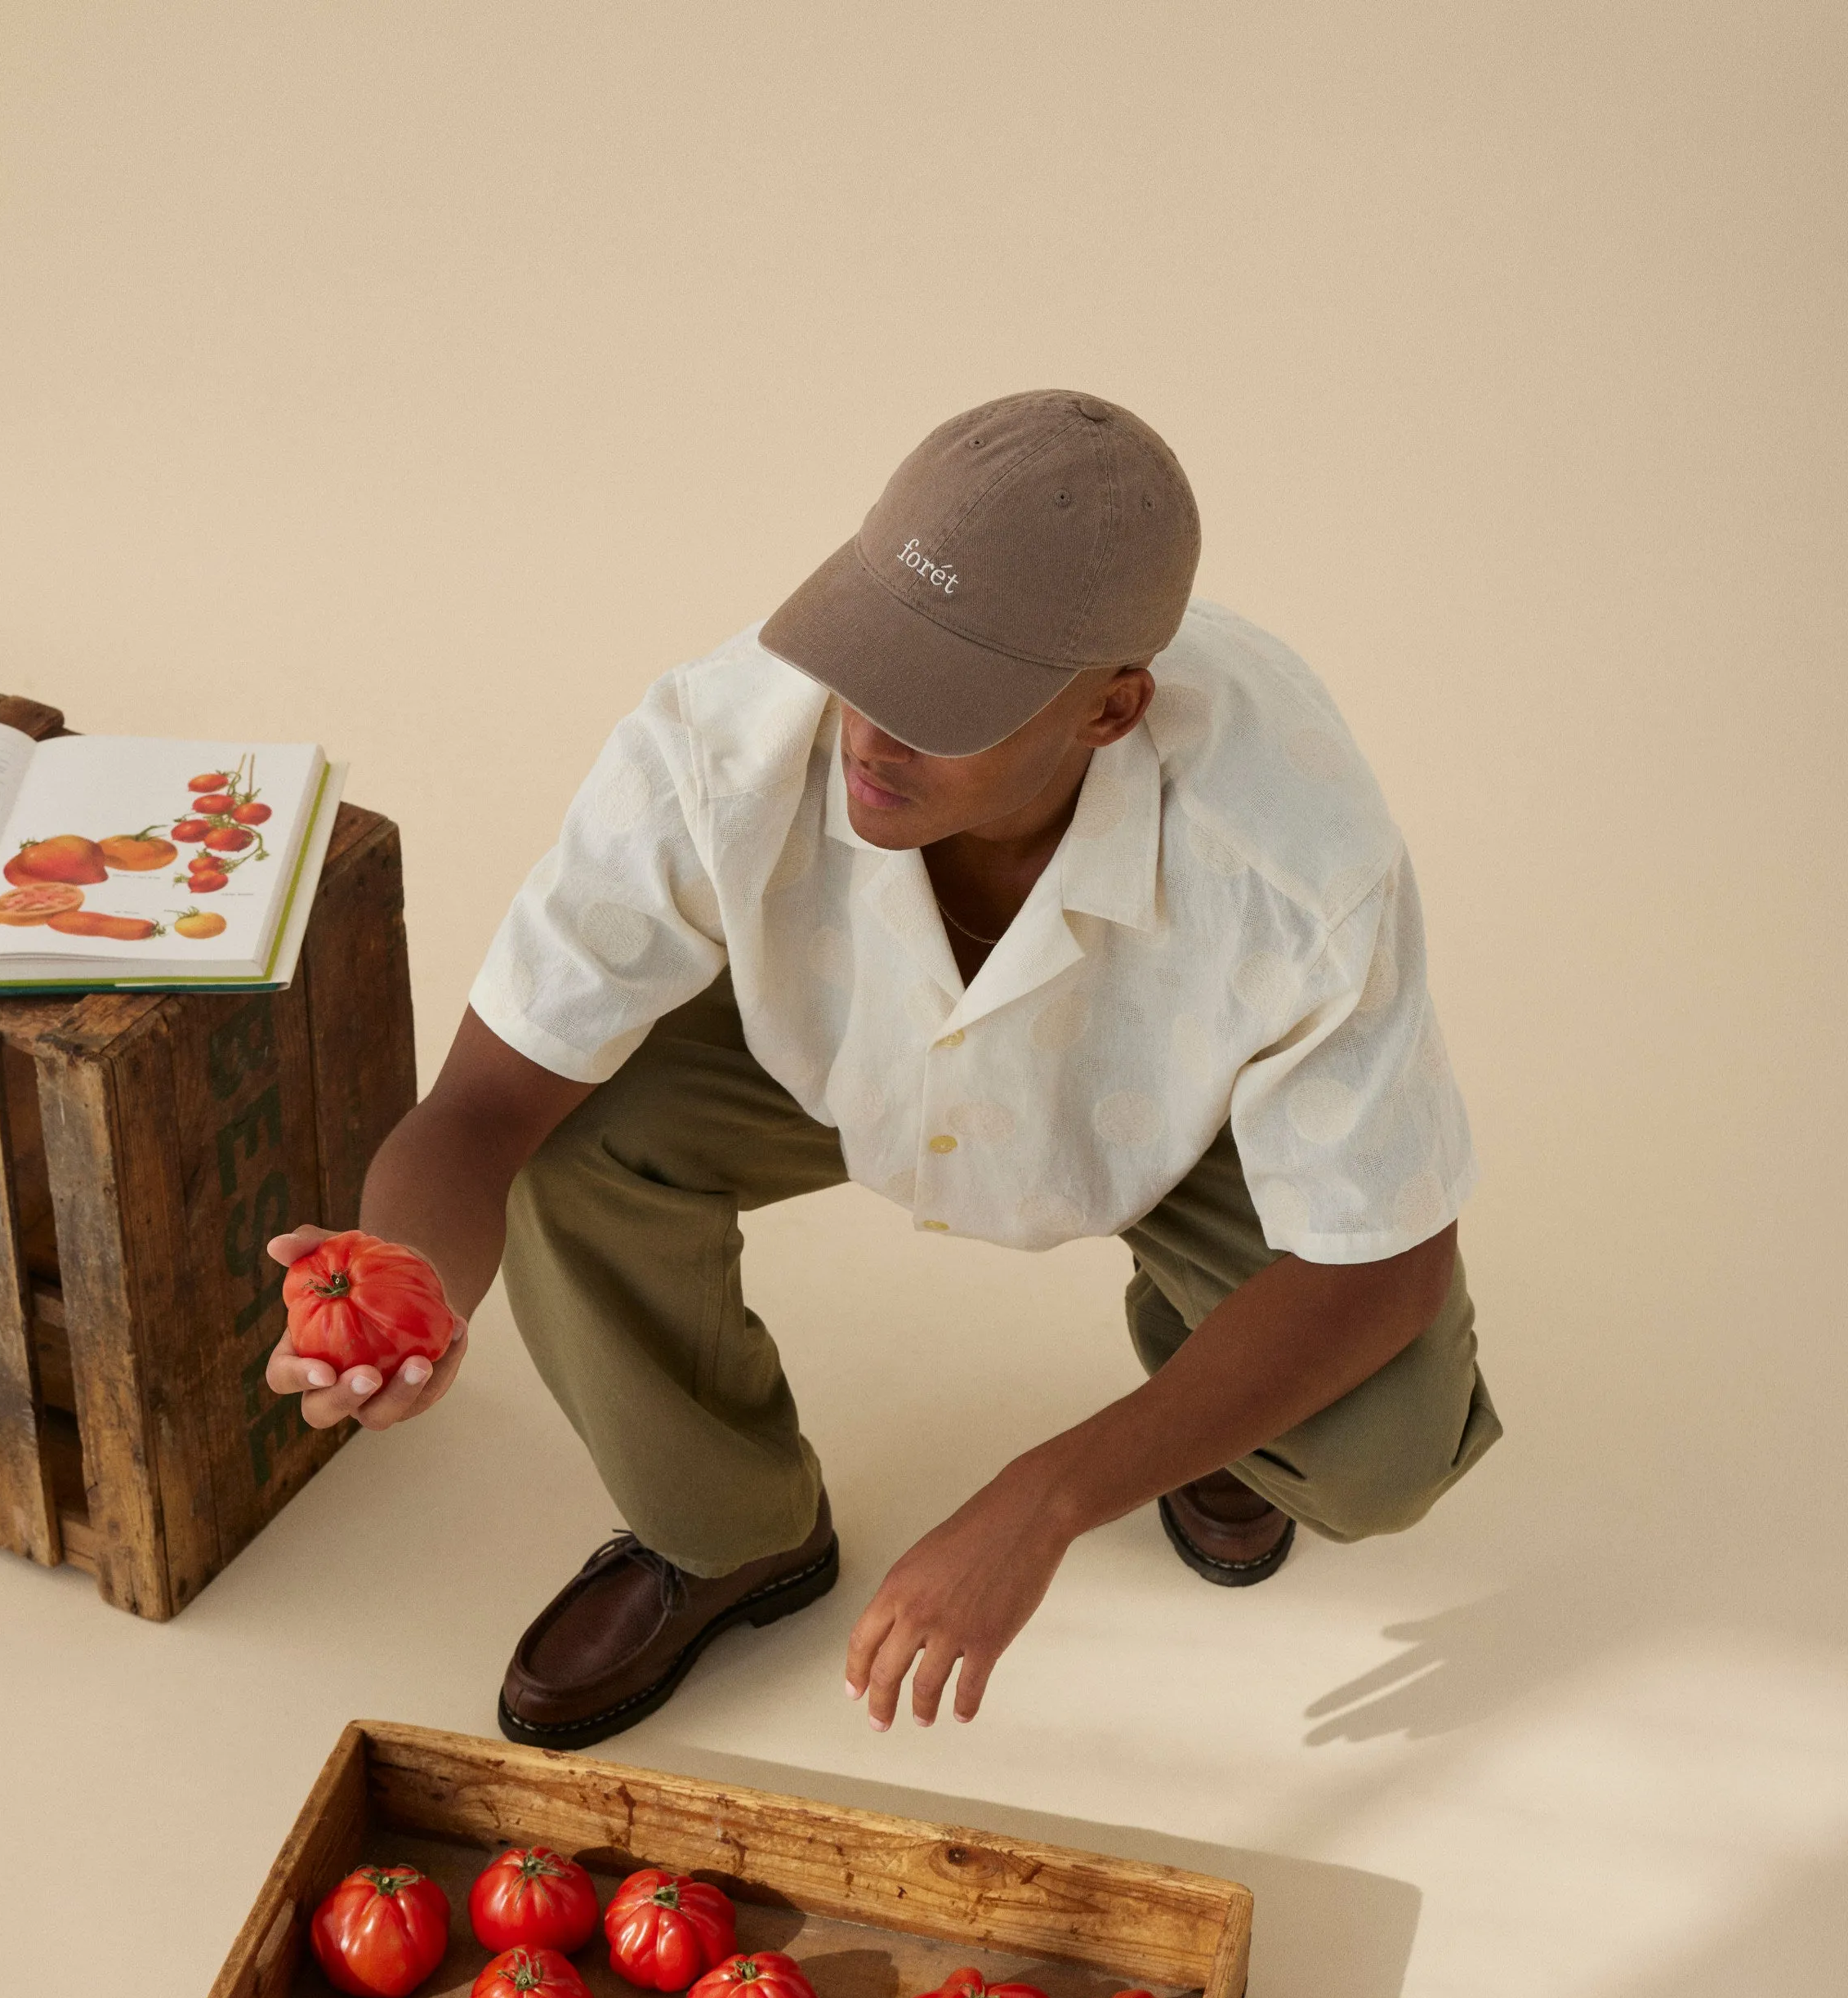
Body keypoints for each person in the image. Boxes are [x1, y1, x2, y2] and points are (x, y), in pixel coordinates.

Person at [266, 390, 1498, 1748]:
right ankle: (727, 1532)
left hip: (1178, 1109)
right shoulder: (720, 739)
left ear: (1112, 710)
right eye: (864, 655)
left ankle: (1208, 1412)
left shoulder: (1298, 861)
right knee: (573, 1136)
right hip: (832, 1048)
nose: (870, 729)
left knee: (1379, 1444)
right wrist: (409, 1279)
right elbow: (487, 1107)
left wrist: (1049, 1495)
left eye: (944, 702)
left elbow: (1385, 1268)